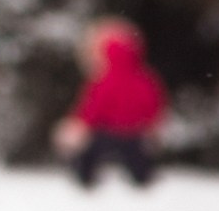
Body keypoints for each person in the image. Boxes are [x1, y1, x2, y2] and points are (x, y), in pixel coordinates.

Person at [55, 18, 169, 187]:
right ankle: (143, 175)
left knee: (87, 155)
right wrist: (151, 125)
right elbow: (155, 105)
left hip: (106, 133)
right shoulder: (146, 78)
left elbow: (92, 109)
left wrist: (79, 126)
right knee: (139, 164)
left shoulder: (102, 80)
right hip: (135, 134)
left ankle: (85, 177)